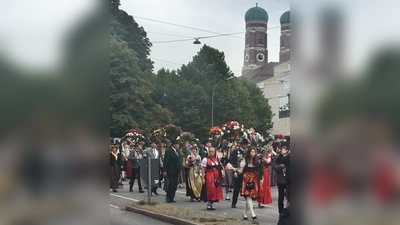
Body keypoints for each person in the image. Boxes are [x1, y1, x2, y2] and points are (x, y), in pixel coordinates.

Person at [238, 146, 263, 220]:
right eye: (252, 152)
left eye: (254, 152)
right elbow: (241, 171)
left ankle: (245, 213)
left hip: (254, 179)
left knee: (250, 196)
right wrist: (235, 170)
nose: (253, 153)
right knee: (248, 195)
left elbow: (260, 170)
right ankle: (253, 213)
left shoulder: (256, 161)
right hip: (246, 179)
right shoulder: (245, 160)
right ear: (249, 152)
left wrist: (261, 178)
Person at [229, 138, 248, 208]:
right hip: (238, 171)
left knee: (247, 187)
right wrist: (234, 171)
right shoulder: (236, 152)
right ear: (242, 144)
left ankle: (248, 202)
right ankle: (234, 202)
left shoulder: (247, 152)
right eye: (245, 145)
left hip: (246, 172)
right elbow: (233, 162)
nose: (246, 146)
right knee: (237, 187)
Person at [273, 144, 287, 215]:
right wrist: (280, 166)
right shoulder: (277, 157)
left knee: (289, 196)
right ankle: (280, 212)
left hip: (288, 179)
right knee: (281, 197)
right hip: (281, 180)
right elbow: (274, 167)